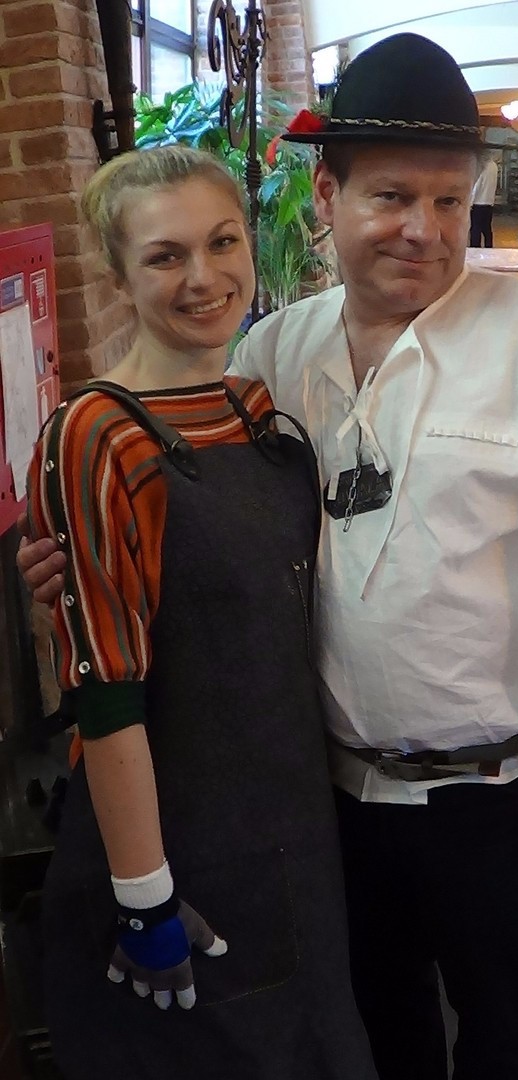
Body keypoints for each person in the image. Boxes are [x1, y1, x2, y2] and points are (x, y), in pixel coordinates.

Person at [19, 33, 518, 1080]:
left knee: (505, 1024)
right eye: (391, 197)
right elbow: (221, 533)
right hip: (327, 792)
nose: (423, 229)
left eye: (446, 200)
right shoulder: (272, 353)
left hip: (490, 792)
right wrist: (81, 564)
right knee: (379, 1021)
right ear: (327, 195)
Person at [24, 146, 378, 1080]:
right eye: (165, 256)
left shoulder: (253, 406)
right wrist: (144, 897)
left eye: (222, 243)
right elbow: (106, 696)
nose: (203, 277)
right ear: (117, 276)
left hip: (292, 824)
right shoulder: (97, 434)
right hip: (179, 844)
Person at [469, 154, 498, 247]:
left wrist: (470, 202)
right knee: (487, 229)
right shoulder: (494, 166)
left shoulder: (482, 166)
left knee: (475, 229)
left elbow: (477, 186)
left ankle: (475, 249)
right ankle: (489, 248)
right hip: (489, 202)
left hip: (478, 202)